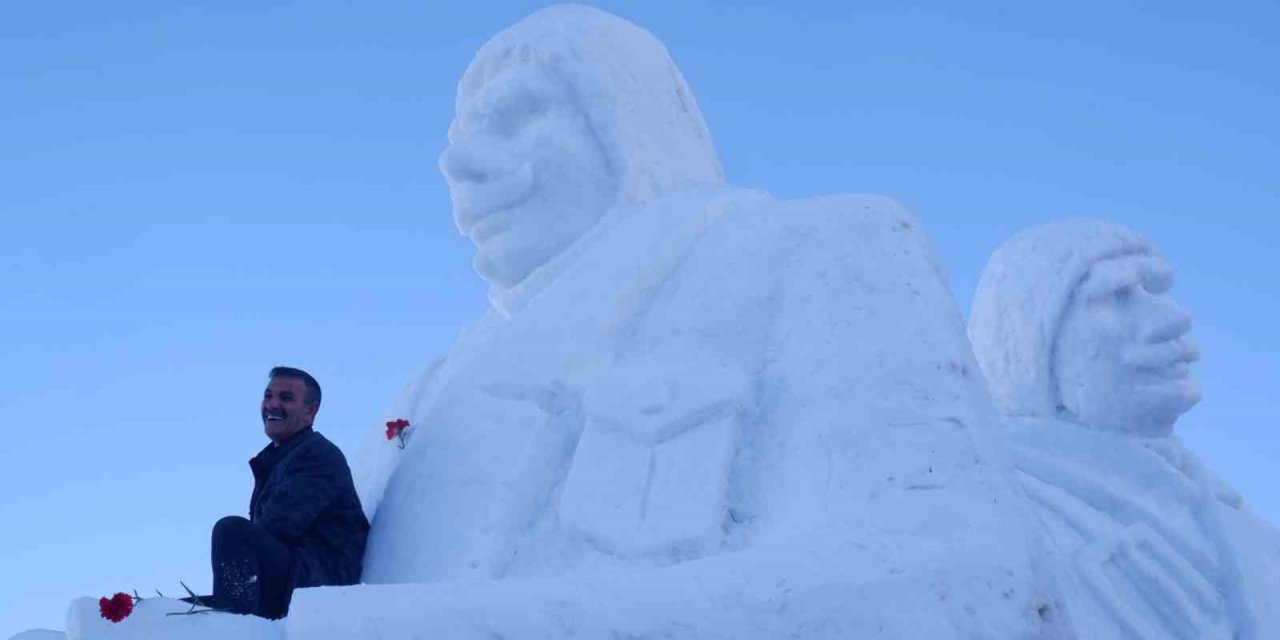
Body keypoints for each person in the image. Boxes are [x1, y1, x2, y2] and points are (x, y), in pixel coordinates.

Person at [342, 5, 1049, 636]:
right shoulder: (425, 397)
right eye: (460, 137)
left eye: (517, 115)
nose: (458, 165)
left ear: (626, 123)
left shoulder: (821, 251)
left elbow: (953, 586)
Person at [969, 218, 1278, 639]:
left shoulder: (1245, 528)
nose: (1173, 319)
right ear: (1031, 346)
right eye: (1115, 296)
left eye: (1155, 292)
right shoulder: (985, 514)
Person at [194, 366, 369, 619]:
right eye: (268, 396)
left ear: (310, 411)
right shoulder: (279, 460)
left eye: (286, 398)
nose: (272, 404)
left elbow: (278, 528)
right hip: (290, 580)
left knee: (231, 529)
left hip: (316, 587)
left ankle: (236, 629)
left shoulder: (317, 454)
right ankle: (230, 619)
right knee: (170, 609)